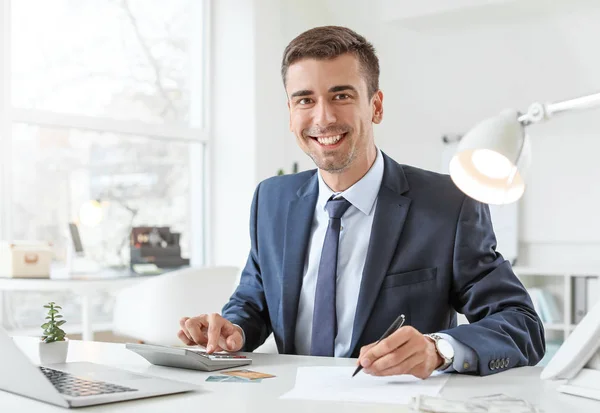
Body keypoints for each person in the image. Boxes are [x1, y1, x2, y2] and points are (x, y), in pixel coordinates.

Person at [178, 26, 545, 378]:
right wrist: (233, 329)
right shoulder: (271, 199)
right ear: (290, 113)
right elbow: (255, 300)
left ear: (376, 106)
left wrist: (438, 350)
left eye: (341, 95)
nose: (323, 117)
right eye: (305, 100)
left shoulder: (450, 204)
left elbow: (521, 323)